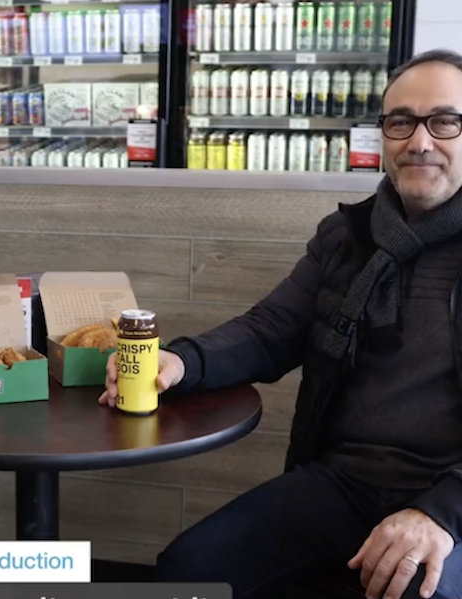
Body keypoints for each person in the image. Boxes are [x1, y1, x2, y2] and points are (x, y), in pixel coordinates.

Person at [100, 49, 462, 599]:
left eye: (445, 121)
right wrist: (179, 361)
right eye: (400, 121)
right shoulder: (348, 238)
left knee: (412, 589)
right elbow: (271, 329)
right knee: (190, 570)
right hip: (342, 482)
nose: (419, 141)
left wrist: (439, 512)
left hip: (448, 498)